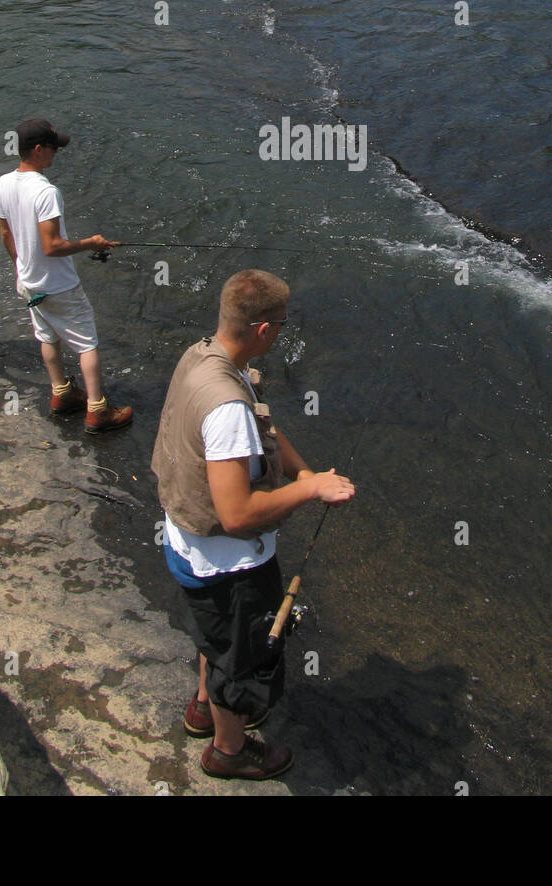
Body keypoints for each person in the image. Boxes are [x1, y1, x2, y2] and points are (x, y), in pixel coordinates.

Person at [152, 269, 354, 780]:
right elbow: (236, 515)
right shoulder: (225, 408)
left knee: (213, 635)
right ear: (264, 331)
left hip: (184, 539)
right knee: (235, 658)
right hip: (224, 563)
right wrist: (309, 491)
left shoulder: (205, 356)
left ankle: (202, 708)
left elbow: (264, 428)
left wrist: (303, 472)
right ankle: (228, 749)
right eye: (281, 325)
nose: (282, 333)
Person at [0, 118, 133, 435]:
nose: (57, 153)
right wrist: (91, 244)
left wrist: (21, 266)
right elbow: (52, 246)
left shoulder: (3, 183)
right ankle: (97, 410)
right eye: (53, 148)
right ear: (39, 149)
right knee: (87, 343)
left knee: (47, 334)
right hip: (59, 286)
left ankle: (62, 392)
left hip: (28, 283)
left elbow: (6, 233)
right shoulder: (46, 192)